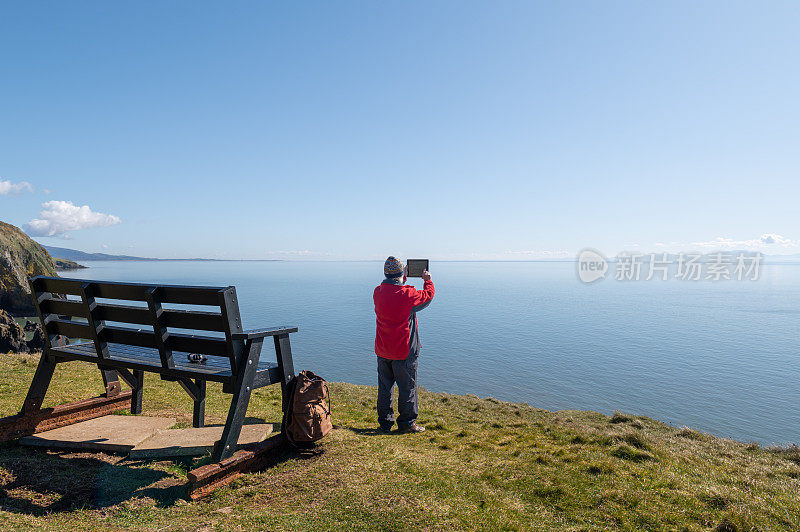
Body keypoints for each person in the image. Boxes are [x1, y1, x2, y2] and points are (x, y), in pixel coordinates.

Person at [373, 256, 435, 433]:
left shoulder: (378, 292)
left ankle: (385, 423)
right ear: (401, 273)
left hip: (383, 349)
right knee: (408, 388)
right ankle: (407, 423)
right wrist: (428, 281)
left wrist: (402, 279)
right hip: (403, 351)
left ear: (385, 273)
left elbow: (394, 293)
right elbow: (427, 296)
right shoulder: (408, 295)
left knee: (385, 389)